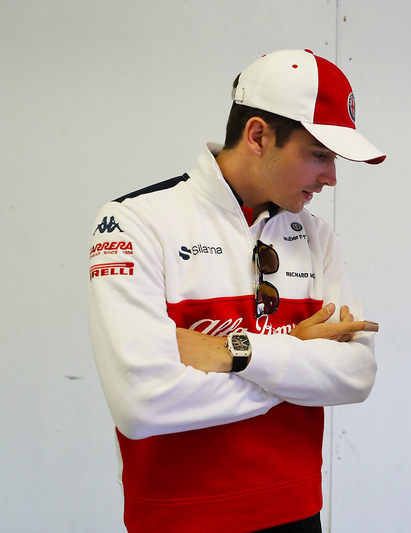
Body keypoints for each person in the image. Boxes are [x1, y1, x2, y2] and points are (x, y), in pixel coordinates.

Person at [88, 49, 385, 533]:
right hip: (177, 518)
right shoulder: (135, 222)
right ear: (258, 135)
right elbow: (141, 403)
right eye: (319, 154)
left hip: (297, 512)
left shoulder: (316, 235)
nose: (332, 176)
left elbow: (356, 375)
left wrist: (236, 353)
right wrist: (295, 359)